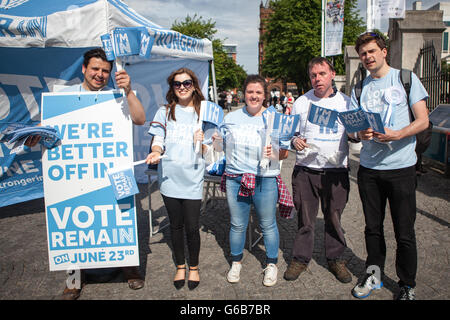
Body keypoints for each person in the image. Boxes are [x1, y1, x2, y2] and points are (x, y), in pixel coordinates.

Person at [29, 48, 146, 300]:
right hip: (79, 173)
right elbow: (45, 128)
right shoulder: (65, 96)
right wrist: (34, 134)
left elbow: (139, 118)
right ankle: (74, 278)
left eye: (105, 71)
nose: (100, 74)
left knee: (123, 216)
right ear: (84, 69)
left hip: (118, 170)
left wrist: (127, 91)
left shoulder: (118, 95)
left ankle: (129, 267)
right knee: (72, 220)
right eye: (95, 69)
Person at [350, 32, 429, 300]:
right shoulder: (359, 88)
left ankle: (407, 284)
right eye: (363, 54)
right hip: (370, 170)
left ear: (384, 51)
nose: (367, 57)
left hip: (402, 168)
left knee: (404, 231)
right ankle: (373, 275)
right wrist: (360, 134)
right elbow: (352, 129)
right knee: (372, 228)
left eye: (372, 51)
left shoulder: (406, 79)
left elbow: (423, 121)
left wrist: (398, 134)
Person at [213, 75, 291, 287]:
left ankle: (271, 264)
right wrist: (216, 142)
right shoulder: (231, 118)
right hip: (235, 178)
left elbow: (284, 154)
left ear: (264, 95)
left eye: (258, 92)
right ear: (243, 94)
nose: (254, 96)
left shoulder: (275, 117)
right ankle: (236, 261)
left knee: (267, 224)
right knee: (237, 224)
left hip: (264, 179)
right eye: (250, 92)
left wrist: (274, 152)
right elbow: (220, 149)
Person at [283, 57, 352, 284]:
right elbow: (289, 134)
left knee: (334, 217)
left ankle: (336, 258)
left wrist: (357, 135)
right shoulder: (302, 102)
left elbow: (357, 134)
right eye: (313, 75)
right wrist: (295, 140)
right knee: (305, 218)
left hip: (336, 171)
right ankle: (301, 259)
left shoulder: (347, 102)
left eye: (322, 74)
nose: (317, 79)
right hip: (306, 170)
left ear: (332, 74)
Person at [146, 67, 206, 290]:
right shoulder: (164, 111)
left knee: (192, 226)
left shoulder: (204, 112)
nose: (182, 87)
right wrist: (155, 151)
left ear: (194, 85)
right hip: (169, 178)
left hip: (193, 179)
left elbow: (216, 149)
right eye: (177, 84)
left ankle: (194, 268)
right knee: (176, 226)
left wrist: (205, 142)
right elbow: (158, 139)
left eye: (187, 83)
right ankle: (180, 265)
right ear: (172, 87)